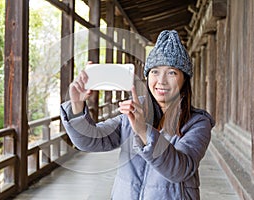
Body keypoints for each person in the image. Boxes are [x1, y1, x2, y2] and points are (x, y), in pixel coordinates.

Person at [60, 30, 215, 200]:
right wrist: (76, 105)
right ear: (147, 76)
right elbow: (91, 141)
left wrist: (143, 131)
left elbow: (180, 170)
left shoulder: (198, 123)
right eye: (155, 71)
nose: (161, 81)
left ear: (184, 79)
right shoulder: (134, 110)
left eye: (172, 72)